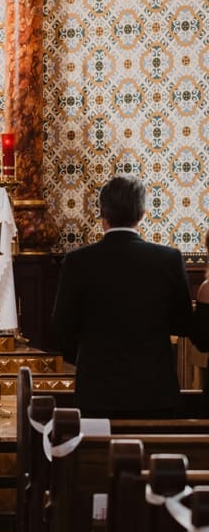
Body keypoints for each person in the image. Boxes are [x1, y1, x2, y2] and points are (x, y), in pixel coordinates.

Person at [53, 176, 209, 416]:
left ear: (102, 213)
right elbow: (183, 324)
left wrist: (92, 360)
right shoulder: (168, 259)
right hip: (155, 392)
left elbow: (61, 328)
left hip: (97, 392)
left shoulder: (77, 261)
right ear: (142, 214)